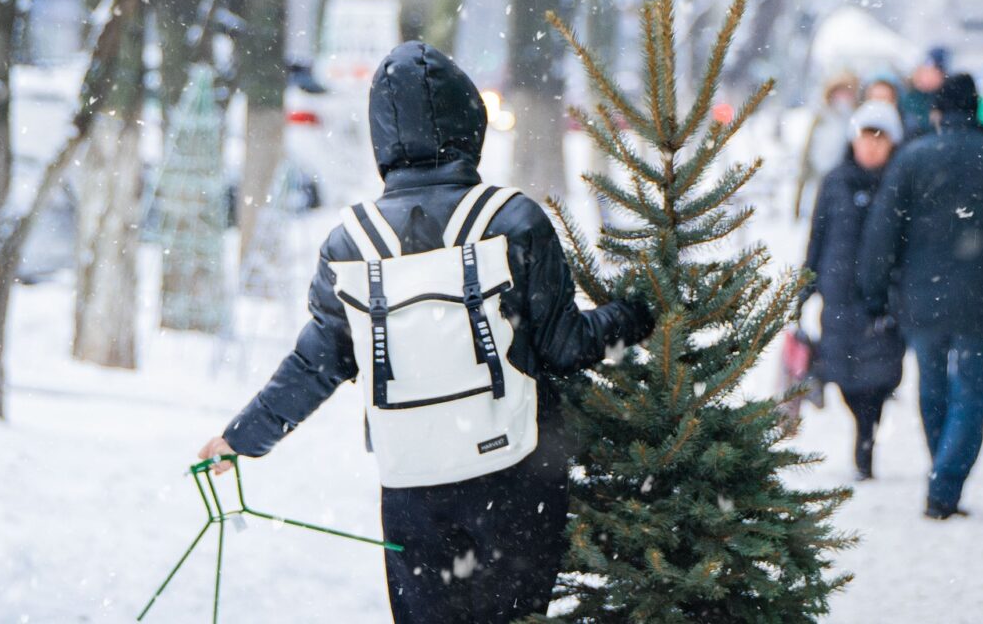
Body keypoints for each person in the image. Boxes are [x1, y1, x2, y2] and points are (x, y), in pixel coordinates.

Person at [196, 41, 653, 624]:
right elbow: (567, 347)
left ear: (381, 137)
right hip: (515, 477)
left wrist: (242, 438)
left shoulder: (349, 245)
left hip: (412, 487)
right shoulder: (512, 221)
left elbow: (318, 364)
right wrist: (643, 310)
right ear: (471, 123)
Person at [857, 73, 983, 518]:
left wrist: (876, 289)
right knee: (972, 394)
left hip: (922, 298)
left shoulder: (912, 160)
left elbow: (883, 231)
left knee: (932, 388)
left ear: (937, 112)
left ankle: (941, 472)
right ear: (975, 110)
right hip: (980, 297)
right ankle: (947, 480)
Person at [801, 100, 906, 481]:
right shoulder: (834, 181)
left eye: (880, 139)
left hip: (882, 298)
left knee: (879, 378)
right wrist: (804, 286)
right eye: (866, 137)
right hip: (839, 294)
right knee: (843, 376)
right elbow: (817, 236)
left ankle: (866, 439)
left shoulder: (900, 182)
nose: (872, 146)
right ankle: (862, 431)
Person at [794, 71, 860, 218]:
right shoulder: (821, 117)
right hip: (817, 177)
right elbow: (808, 150)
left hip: (842, 180)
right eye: (839, 93)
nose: (842, 98)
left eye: (847, 93)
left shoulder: (855, 120)